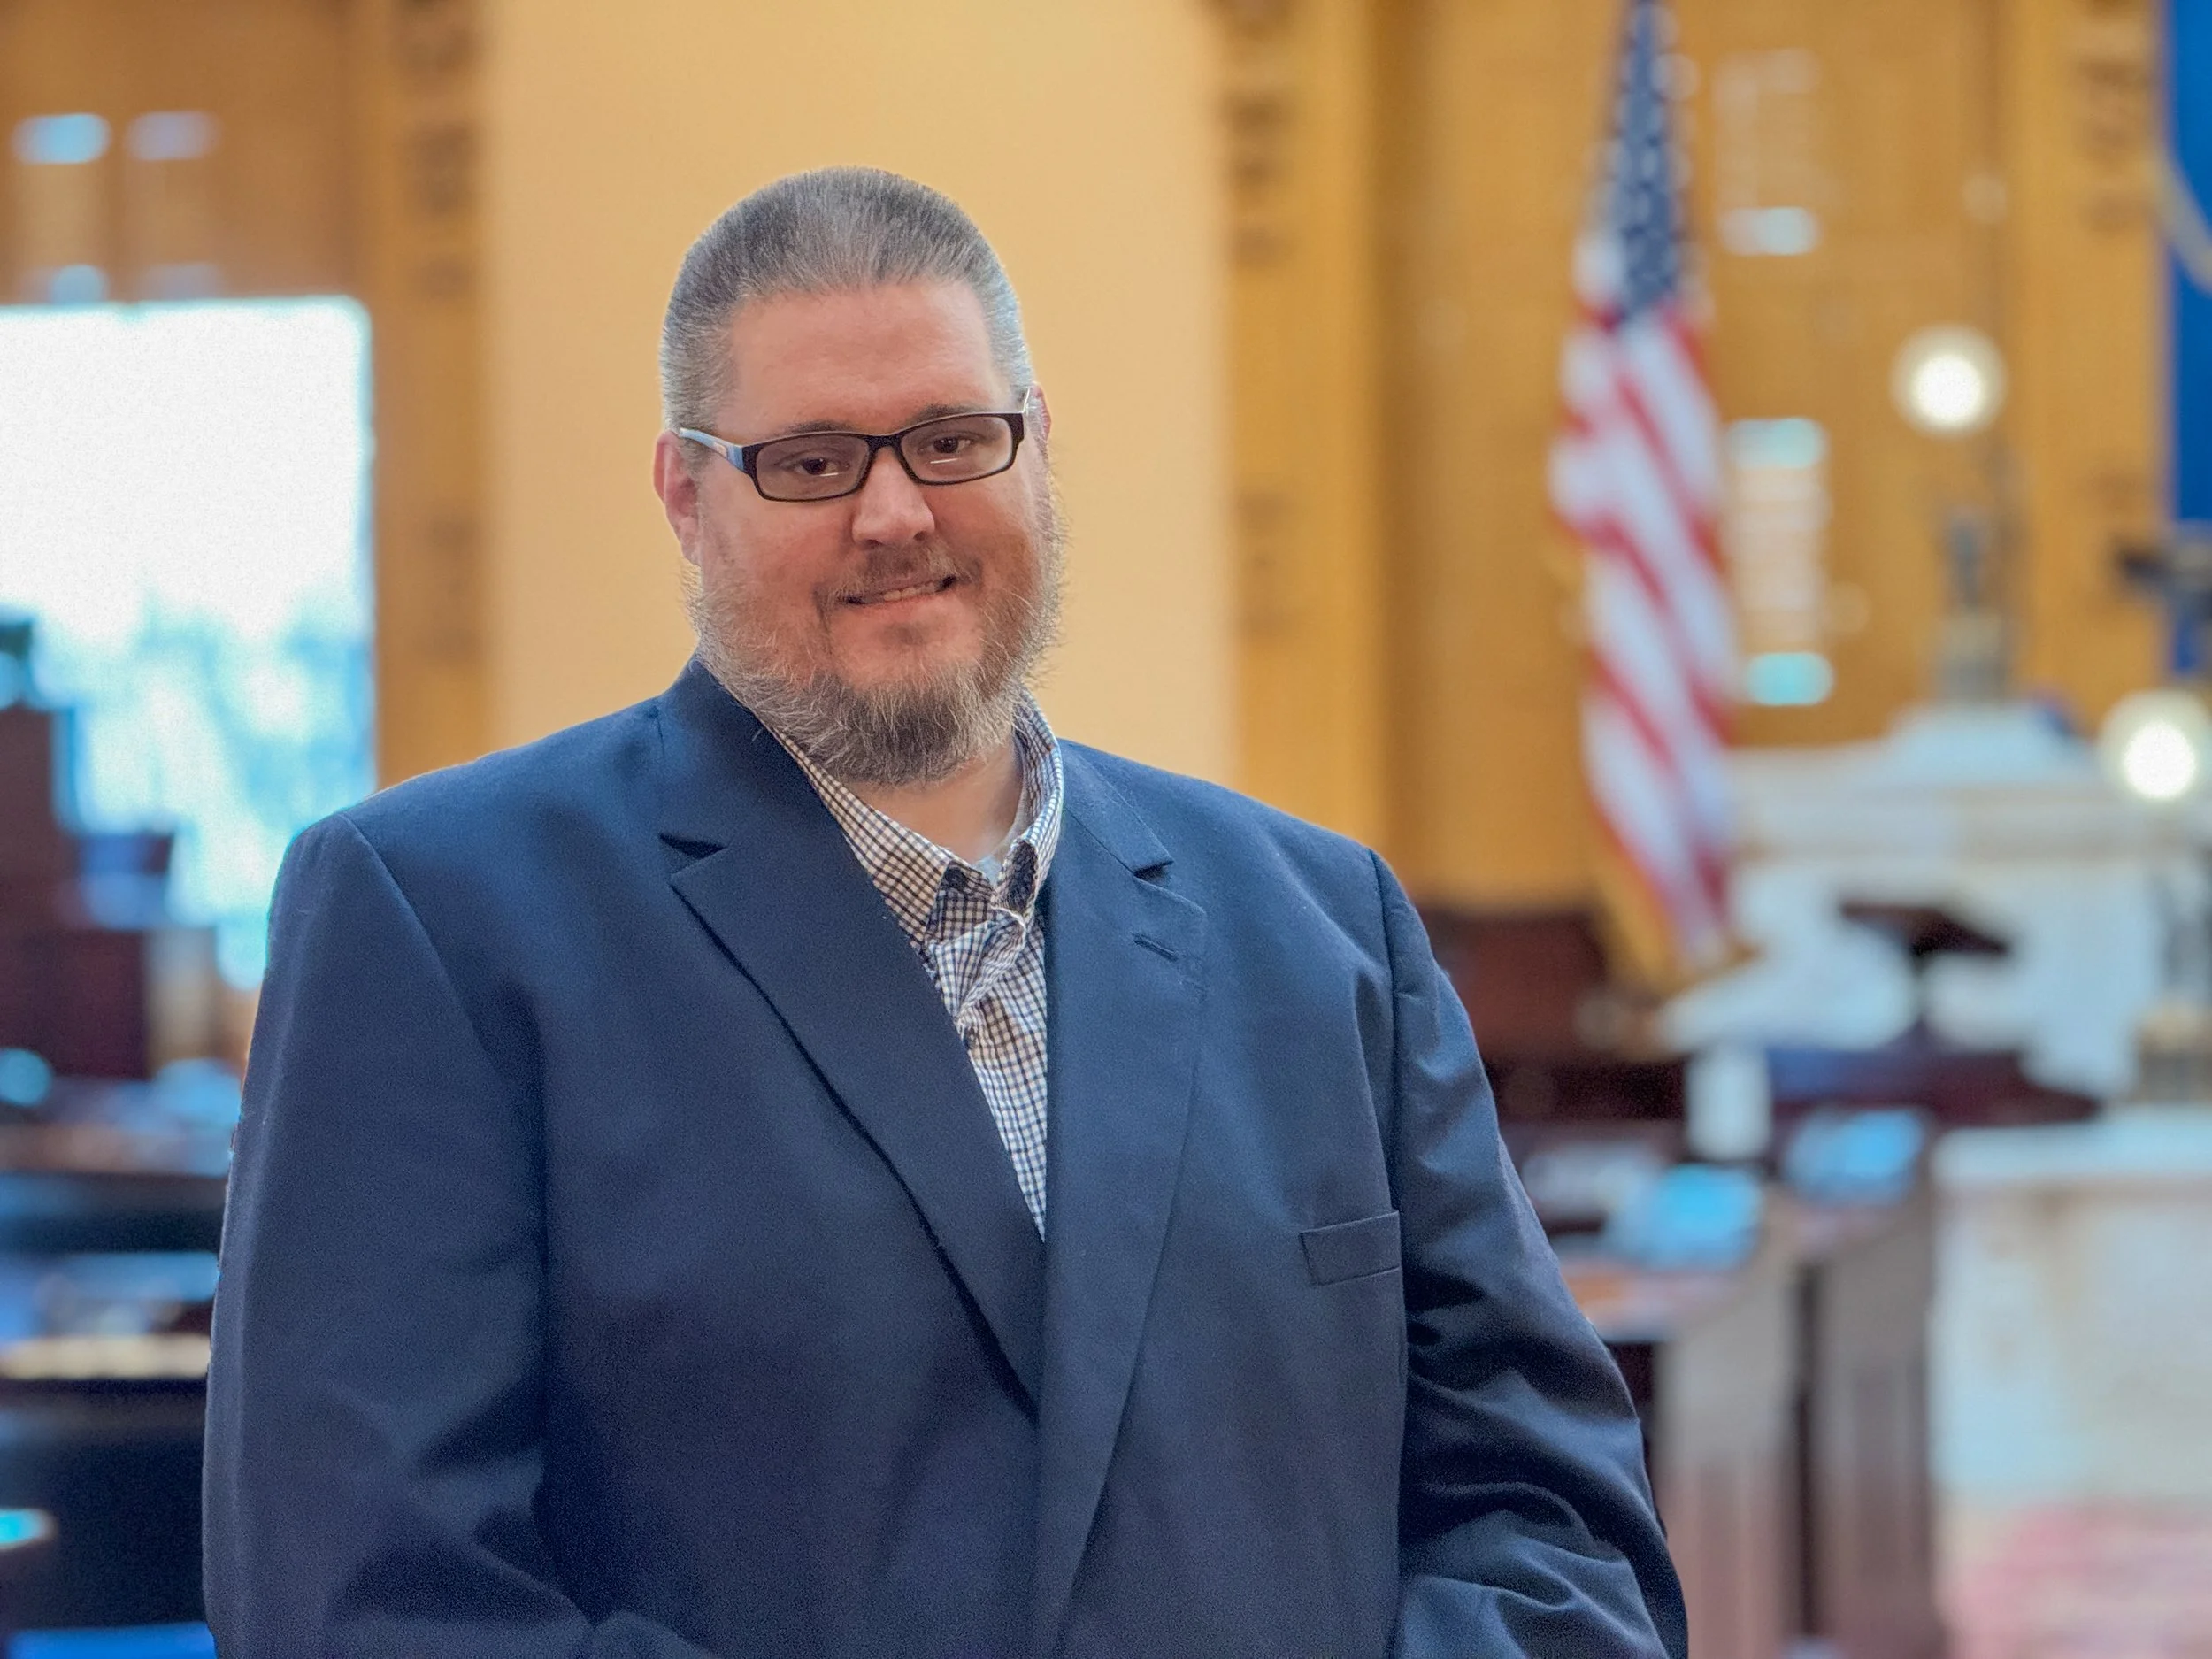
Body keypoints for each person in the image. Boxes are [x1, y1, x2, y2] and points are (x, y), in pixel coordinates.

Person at [204, 166, 1686, 1659]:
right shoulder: (432, 918)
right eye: (808, 463)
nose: (895, 512)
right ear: (684, 494)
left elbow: (1555, 1524)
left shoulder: (1325, 924)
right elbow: (370, 1603)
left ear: (1037, 447)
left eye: (953, 439)